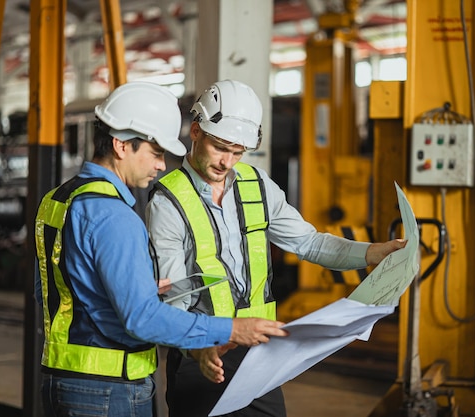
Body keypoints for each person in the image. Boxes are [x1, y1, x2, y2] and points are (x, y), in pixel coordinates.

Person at [145, 79, 407, 417]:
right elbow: (172, 298)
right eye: (220, 147)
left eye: (237, 152)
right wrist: (199, 350)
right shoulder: (168, 202)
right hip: (205, 356)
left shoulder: (258, 185)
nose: (227, 162)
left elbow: (309, 242)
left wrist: (372, 253)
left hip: (259, 356)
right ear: (196, 132)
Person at [33, 81, 288, 417]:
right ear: (122, 145)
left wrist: (132, 290)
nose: (161, 166)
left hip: (64, 380)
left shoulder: (58, 199)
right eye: (155, 153)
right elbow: (142, 319)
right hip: (110, 388)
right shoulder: (114, 215)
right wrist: (232, 328)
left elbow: (51, 292)